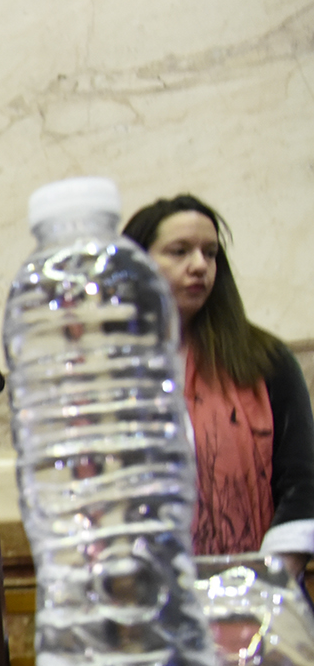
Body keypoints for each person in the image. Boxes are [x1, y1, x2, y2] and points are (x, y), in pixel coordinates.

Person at [122, 195, 313, 577]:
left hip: (256, 597)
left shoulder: (265, 361)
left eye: (210, 253)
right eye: (179, 251)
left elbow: (303, 483)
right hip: (142, 607)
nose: (199, 266)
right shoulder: (104, 370)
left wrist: (263, 584)